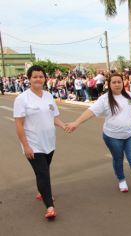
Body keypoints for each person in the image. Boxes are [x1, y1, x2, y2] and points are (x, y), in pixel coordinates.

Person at [65, 73, 131, 194]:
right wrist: (76, 122)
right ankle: (121, 180)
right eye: (114, 82)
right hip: (112, 137)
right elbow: (90, 112)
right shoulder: (104, 99)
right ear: (109, 84)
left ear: (123, 83)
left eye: (119, 82)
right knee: (118, 158)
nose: (117, 84)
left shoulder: (128, 96)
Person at [13, 65, 66, 220]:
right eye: (34, 76)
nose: (38, 79)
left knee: (44, 170)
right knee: (43, 173)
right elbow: (19, 124)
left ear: (45, 78)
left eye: (41, 76)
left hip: (49, 142)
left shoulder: (49, 96)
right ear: (29, 79)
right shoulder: (22, 99)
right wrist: (26, 145)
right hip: (33, 144)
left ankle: (41, 191)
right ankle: (49, 206)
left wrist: (64, 126)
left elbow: (54, 117)